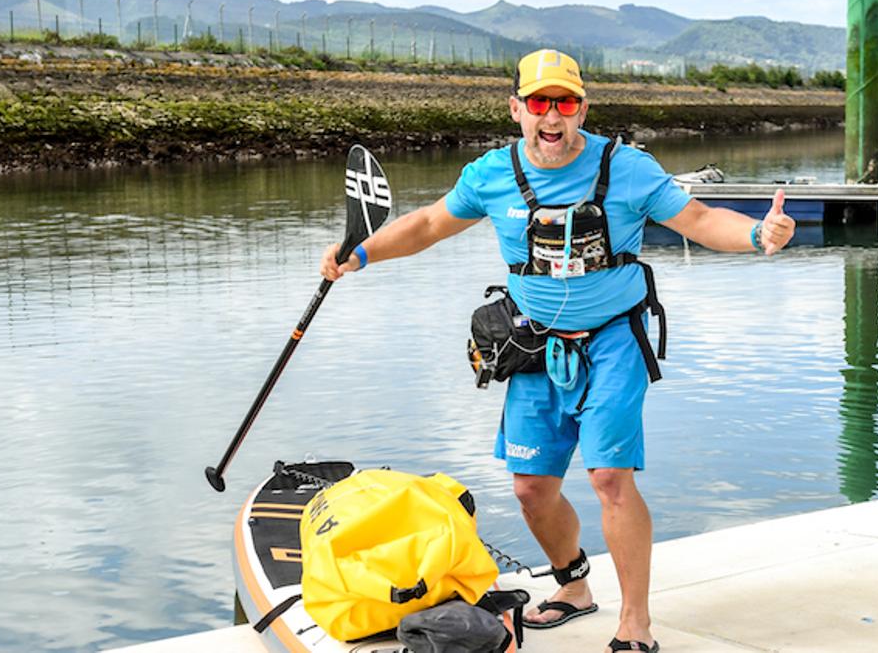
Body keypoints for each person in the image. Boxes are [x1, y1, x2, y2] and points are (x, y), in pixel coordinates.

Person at [320, 49, 795, 653]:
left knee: (609, 478)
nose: (552, 116)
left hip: (613, 342)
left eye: (564, 103)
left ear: (582, 109)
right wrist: (361, 255)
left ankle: (636, 624)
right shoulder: (491, 174)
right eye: (539, 102)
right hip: (534, 345)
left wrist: (758, 234)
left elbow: (700, 220)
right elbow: (429, 225)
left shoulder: (629, 169)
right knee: (530, 487)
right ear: (516, 108)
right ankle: (573, 586)